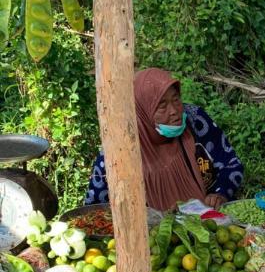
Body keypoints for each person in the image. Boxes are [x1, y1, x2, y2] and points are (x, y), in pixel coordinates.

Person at [85, 68, 243, 212]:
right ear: (143, 111)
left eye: (176, 100)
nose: (174, 111)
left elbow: (232, 164)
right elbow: (95, 208)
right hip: (151, 236)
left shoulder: (195, 121)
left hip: (208, 222)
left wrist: (220, 194)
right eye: (162, 106)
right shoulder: (119, 147)